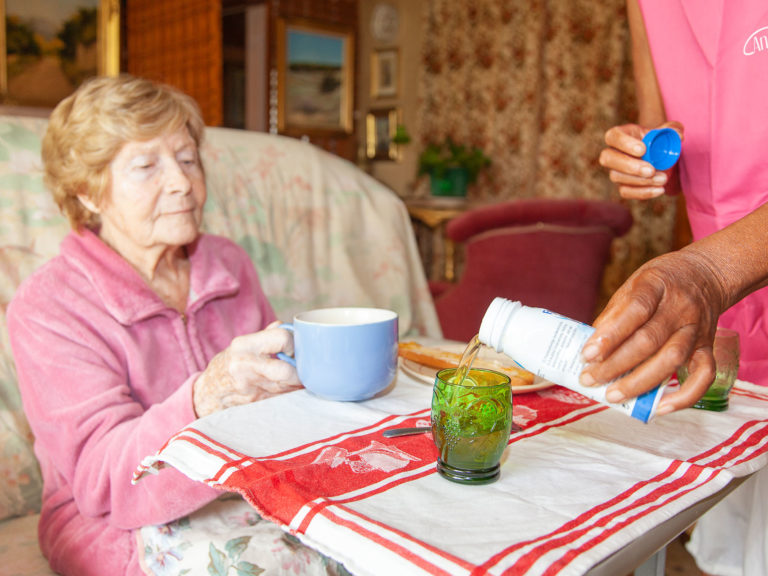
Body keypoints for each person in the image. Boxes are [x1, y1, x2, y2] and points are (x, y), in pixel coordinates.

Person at [6, 75, 306, 575]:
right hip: (107, 523)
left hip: (242, 486)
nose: (182, 183)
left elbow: (275, 413)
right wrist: (208, 396)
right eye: (146, 166)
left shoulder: (228, 264)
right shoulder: (49, 306)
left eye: (188, 159)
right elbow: (103, 484)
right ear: (88, 193)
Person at [580, 1, 768, 574]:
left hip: (724, 269)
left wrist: (710, 272)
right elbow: (679, 132)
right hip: (730, 302)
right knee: (737, 534)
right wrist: (645, 155)